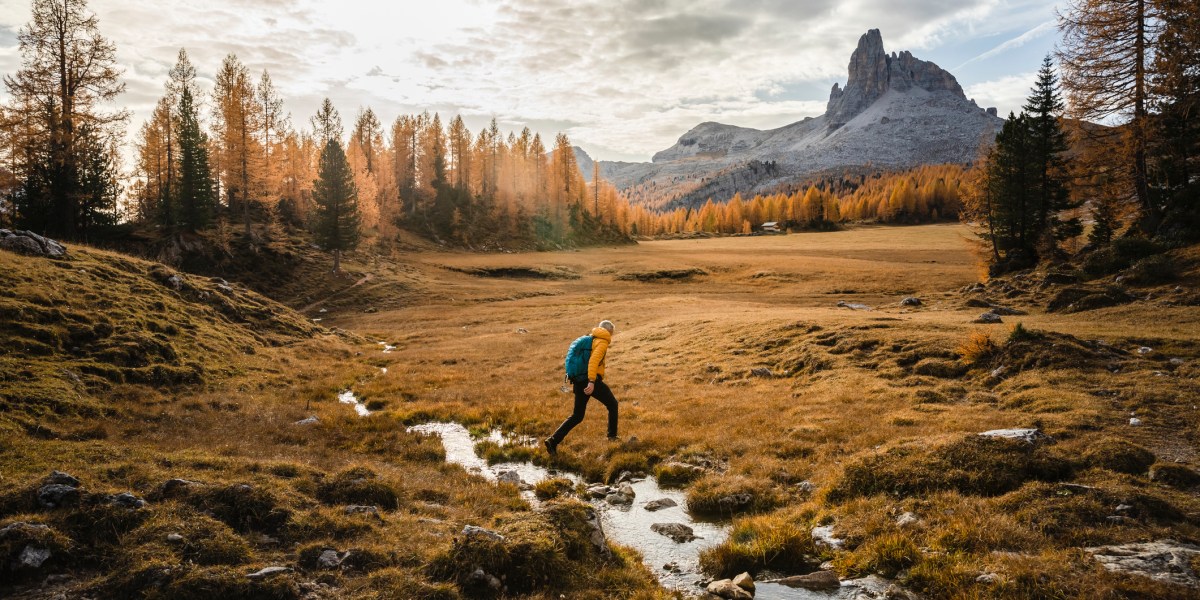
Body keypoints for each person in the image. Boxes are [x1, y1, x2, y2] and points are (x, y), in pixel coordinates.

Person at [545, 320, 619, 455]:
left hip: (578, 380)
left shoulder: (591, 339)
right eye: (612, 333)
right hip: (590, 381)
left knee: (577, 415)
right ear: (608, 331)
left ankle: (553, 440)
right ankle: (612, 437)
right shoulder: (602, 342)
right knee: (613, 404)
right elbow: (593, 362)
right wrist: (591, 381)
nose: (612, 336)